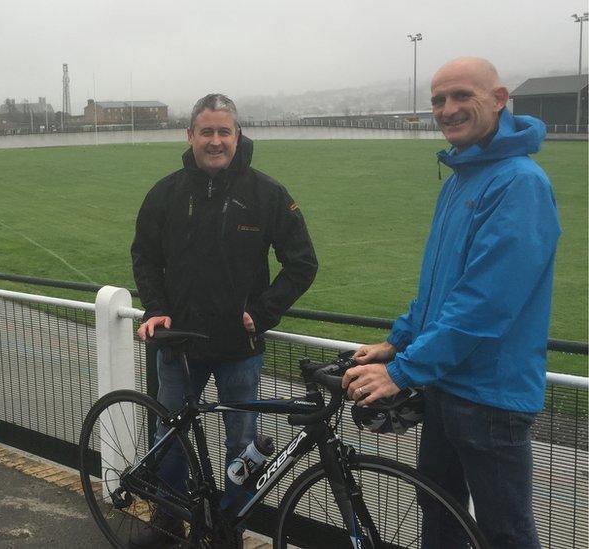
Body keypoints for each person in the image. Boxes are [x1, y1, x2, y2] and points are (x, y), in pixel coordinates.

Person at [342, 57, 560, 548]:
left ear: (499, 100)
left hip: (489, 399)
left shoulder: (519, 183)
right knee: (439, 515)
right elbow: (440, 289)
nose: (448, 108)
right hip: (444, 384)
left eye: (462, 95)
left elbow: (484, 304)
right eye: (439, 99)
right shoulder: (462, 178)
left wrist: (401, 371)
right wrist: (397, 343)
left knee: (505, 532)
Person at [131, 93, 318, 547]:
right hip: (180, 346)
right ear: (190, 135)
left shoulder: (267, 194)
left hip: (241, 349)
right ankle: (167, 523)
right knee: (170, 437)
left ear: (238, 135)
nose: (215, 141)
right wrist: (157, 309)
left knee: (243, 446)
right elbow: (145, 257)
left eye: (224, 132)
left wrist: (263, 312)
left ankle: (226, 530)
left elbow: (302, 263)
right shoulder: (166, 192)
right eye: (206, 131)